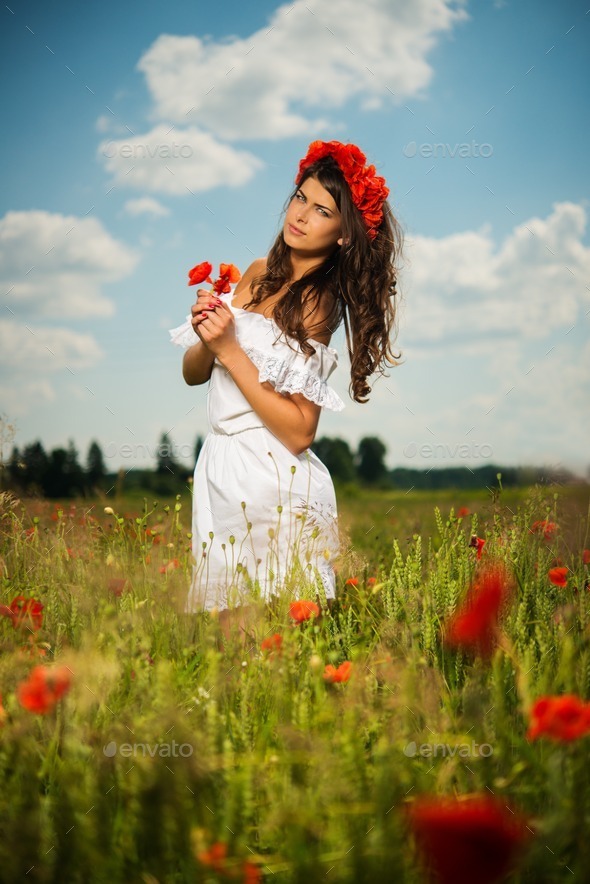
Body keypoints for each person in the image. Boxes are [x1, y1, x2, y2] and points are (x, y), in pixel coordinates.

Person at [169, 139, 403, 643]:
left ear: (343, 236)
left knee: (274, 633)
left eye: (322, 211)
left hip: (270, 474)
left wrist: (231, 349)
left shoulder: (318, 302)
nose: (301, 215)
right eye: (301, 197)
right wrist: (209, 332)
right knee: (222, 636)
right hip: (221, 465)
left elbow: (300, 431)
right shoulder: (255, 272)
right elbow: (193, 373)